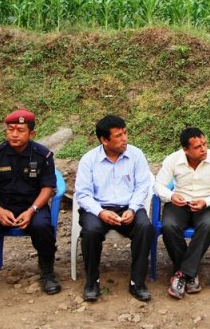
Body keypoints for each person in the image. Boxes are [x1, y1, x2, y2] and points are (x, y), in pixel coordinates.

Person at [0, 109, 61, 305]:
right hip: (0, 207)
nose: (14, 134)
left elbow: (48, 188)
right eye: (10, 129)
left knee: (43, 227)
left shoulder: (43, 156)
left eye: (20, 130)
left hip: (32, 206)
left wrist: (32, 210)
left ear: (31, 134)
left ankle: (47, 273)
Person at [74, 115, 154, 302]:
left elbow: (143, 186)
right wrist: (100, 212)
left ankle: (137, 282)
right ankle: (92, 282)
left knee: (145, 227)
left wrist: (133, 209)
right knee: (91, 231)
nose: (125, 138)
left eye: (125, 133)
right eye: (118, 135)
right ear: (104, 140)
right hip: (98, 208)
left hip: (128, 207)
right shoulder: (89, 160)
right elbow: (83, 194)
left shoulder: (136, 155)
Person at [154, 127, 210, 300]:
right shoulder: (173, 159)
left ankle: (181, 274)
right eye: (198, 147)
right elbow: (158, 185)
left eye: (204, 144)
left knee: (209, 225)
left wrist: (207, 201)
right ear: (186, 150)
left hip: (205, 203)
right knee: (169, 226)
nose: (204, 149)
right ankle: (190, 273)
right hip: (179, 203)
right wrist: (171, 195)